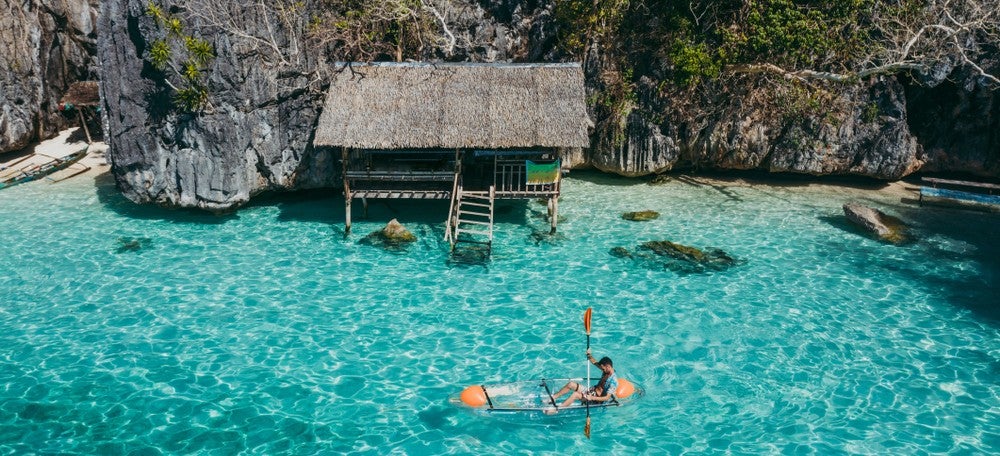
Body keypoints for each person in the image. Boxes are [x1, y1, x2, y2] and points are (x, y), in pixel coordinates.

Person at [543, 348, 618, 414]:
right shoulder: (606, 370)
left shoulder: (613, 381)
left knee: (575, 394)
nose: (602, 369)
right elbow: (595, 363)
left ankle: (557, 409)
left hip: (595, 399)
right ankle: (553, 398)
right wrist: (589, 355)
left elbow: (606, 398)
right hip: (591, 391)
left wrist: (592, 398)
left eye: (603, 368)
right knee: (571, 384)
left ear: (608, 366)